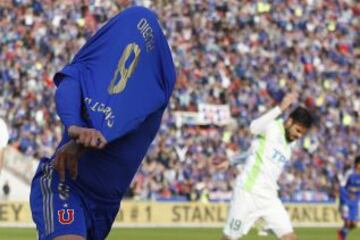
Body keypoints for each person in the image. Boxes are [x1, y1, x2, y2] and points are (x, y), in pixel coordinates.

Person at [30, 6, 176, 240]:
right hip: (65, 183)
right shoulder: (92, 67)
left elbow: (126, 116)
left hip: (105, 205)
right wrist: (73, 126)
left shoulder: (151, 91)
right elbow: (70, 84)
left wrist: (81, 141)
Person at [218, 92, 314, 240]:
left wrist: (231, 161)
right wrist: (280, 108)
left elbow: (252, 152)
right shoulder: (272, 128)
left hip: (269, 197)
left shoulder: (291, 144)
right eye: (298, 130)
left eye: (303, 133)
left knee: (290, 237)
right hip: (247, 193)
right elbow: (253, 128)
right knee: (229, 238)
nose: (299, 135)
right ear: (289, 121)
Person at [338, 156, 360, 240]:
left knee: (354, 224)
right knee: (347, 222)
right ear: (356, 164)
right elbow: (342, 185)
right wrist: (346, 195)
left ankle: (342, 232)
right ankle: (343, 237)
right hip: (346, 200)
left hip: (356, 202)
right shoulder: (349, 173)